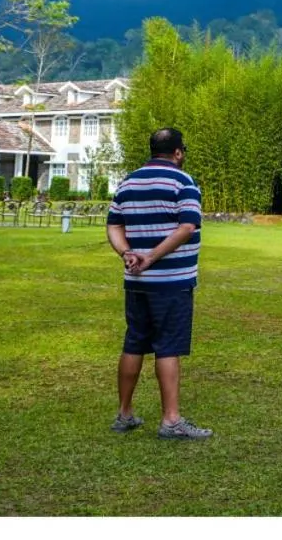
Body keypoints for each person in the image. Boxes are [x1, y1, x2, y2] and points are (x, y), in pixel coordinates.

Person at [105, 127, 211, 440]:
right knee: (168, 346)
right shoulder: (183, 181)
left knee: (134, 341)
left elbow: (113, 226)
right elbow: (187, 226)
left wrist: (127, 253)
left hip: (136, 280)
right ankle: (171, 419)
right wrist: (152, 257)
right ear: (178, 152)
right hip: (171, 281)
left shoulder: (128, 182)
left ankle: (124, 414)